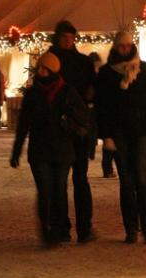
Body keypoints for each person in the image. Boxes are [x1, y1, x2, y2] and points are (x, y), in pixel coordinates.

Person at [10, 51, 89, 247]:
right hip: (40, 150)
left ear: (54, 71)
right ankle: (46, 228)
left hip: (63, 149)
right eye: (40, 69)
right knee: (45, 190)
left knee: (59, 190)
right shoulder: (33, 94)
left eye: (46, 69)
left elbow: (84, 117)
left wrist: (70, 113)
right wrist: (16, 150)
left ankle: (59, 228)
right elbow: (23, 124)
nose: (42, 72)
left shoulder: (67, 92)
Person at [96, 30, 146, 244]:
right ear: (115, 48)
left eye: (127, 45)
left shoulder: (143, 69)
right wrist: (106, 135)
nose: (125, 49)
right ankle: (131, 228)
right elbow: (102, 107)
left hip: (142, 130)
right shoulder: (107, 73)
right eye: (121, 46)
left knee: (141, 179)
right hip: (118, 132)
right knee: (126, 180)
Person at [48, 20, 97, 243]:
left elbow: (93, 91)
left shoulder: (83, 62)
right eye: (64, 38)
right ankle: (62, 226)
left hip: (78, 128)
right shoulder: (50, 61)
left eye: (71, 38)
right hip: (58, 129)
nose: (68, 41)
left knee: (80, 178)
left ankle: (84, 227)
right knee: (59, 180)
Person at [90, 52, 116, 178]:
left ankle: (108, 168)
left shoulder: (104, 75)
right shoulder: (99, 75)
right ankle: (107, 168)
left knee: (109, 141)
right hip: (100, 112)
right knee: (107, 140)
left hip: (104, 112)